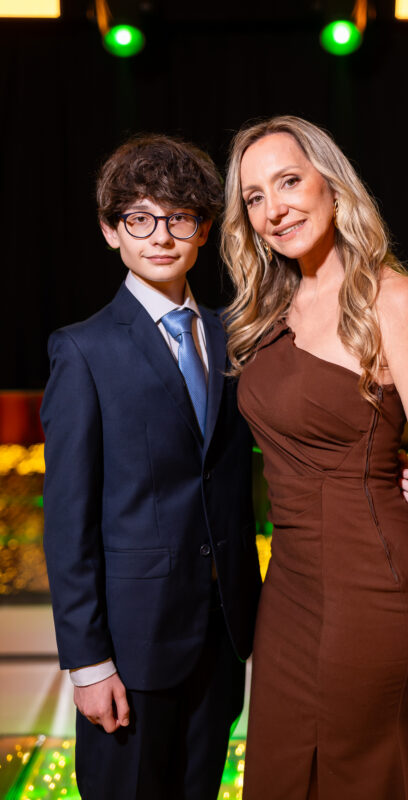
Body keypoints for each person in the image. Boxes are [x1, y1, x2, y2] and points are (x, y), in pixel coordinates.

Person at [221, 116, 408, 799]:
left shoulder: (394, 300)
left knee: (367, 773)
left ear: (331, 184)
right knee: (279, 773)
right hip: (288, 590)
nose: (274, 210)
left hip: (376, 585)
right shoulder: (266, 311)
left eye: (289, 182)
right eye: (254, 197)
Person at [40, 134, 263, 800]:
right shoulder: (83, 351)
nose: (161, 236)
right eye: (139, 218)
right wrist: (87, 662)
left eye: (179, 217)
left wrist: (386, 472)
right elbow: (68, 522)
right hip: (130, 652)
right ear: (111, 231)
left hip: (223, 636)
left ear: (204, 229)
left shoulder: (235, 335)